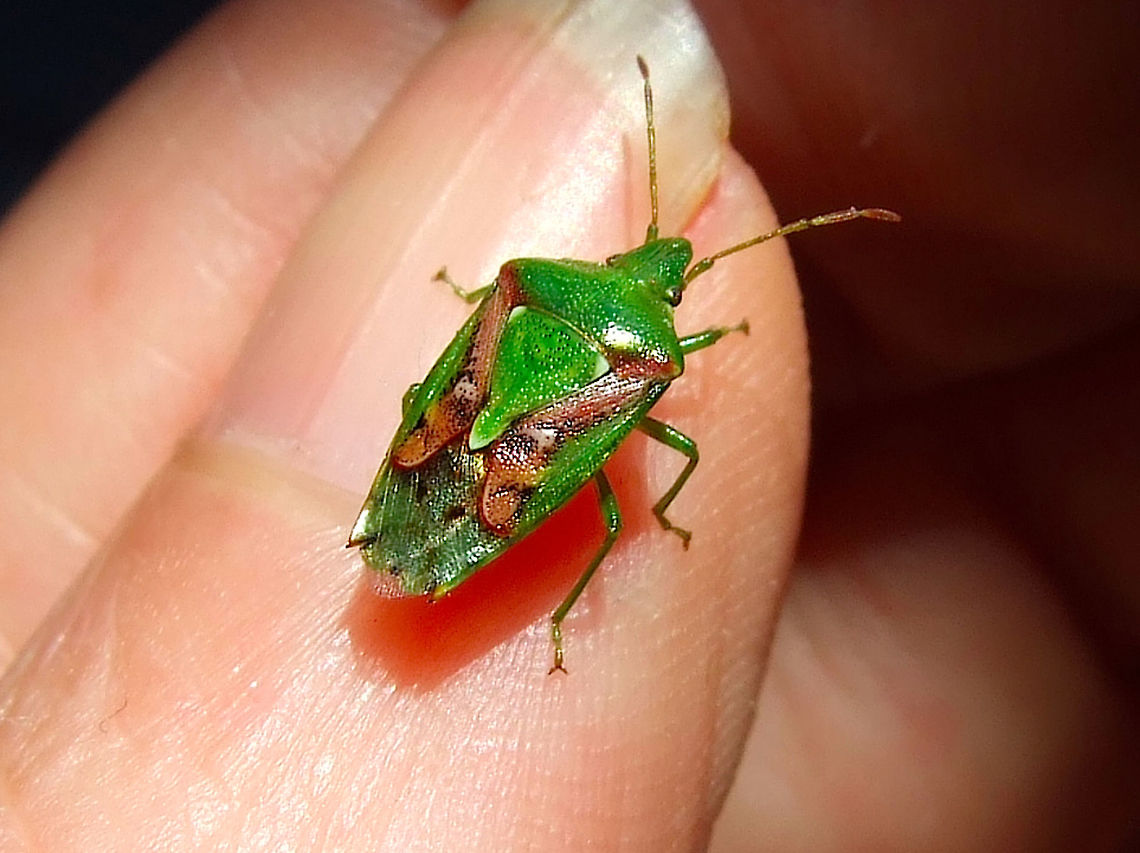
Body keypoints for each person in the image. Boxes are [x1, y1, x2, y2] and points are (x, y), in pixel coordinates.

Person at [0, 0, 1135, 848]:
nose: (670, 266)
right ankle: (516, 595)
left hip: (453, 426)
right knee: (618, 515)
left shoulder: (544, 291)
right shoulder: (645, 368)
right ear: (653, 296)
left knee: (482, 408)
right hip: (512, 472)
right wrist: (672, 488)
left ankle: (415, 525)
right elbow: (662, 451)